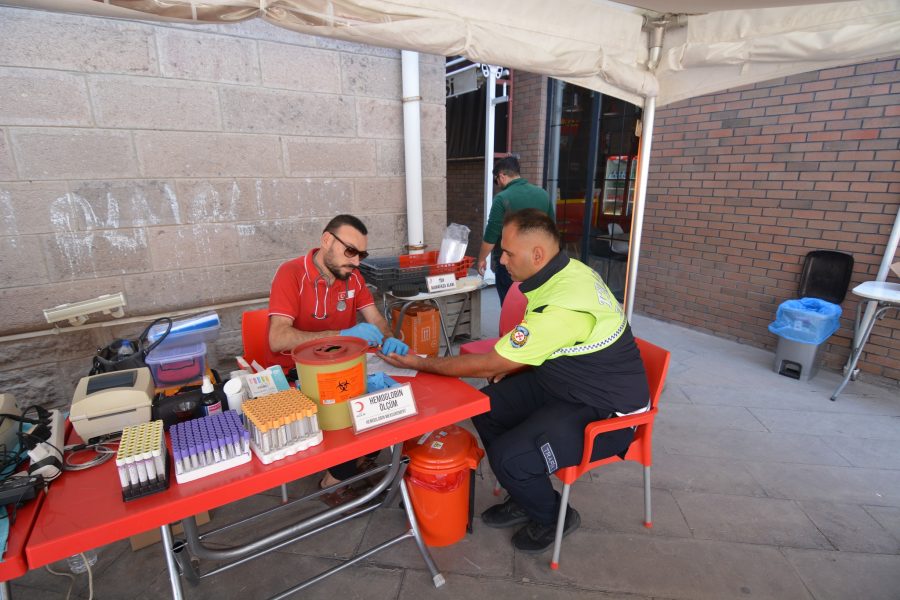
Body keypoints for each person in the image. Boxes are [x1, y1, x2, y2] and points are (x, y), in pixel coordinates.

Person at [383, 209, 649, 553]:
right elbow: (524, 353)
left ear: (537, 254)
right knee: (485, 406)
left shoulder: (563, 309)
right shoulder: (566, 270)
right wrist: (509, 365)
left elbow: (486, 364)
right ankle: (525, 490)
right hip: (567, 381)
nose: (500, 259)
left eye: (508, 252)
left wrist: (421, 362)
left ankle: (552, 516)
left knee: (510, 458)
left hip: (608, 411)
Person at [268, 214, 409, 506]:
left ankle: (358, 464)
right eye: (350, 251)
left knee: (386, 400)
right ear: (326, 241)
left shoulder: (353, 279)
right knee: (348, 411)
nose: (357, 262)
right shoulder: (292, 273)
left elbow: (376, 320)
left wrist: (389, 338)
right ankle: (334, 480)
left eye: (362, 254)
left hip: (346, 366)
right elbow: (277, 338)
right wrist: (339, 335)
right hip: (300, 372)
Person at [477, 156, 554, 305]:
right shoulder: (543, 195)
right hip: (539, 262)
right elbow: (552, 230)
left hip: (510, 265)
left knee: (510, 307)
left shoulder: (502, 198)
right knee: (535, 306)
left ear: (502, 176)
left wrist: (481, 259)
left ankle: (514, 329)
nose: (497, 184)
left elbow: (491, 235)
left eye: (496, 180)